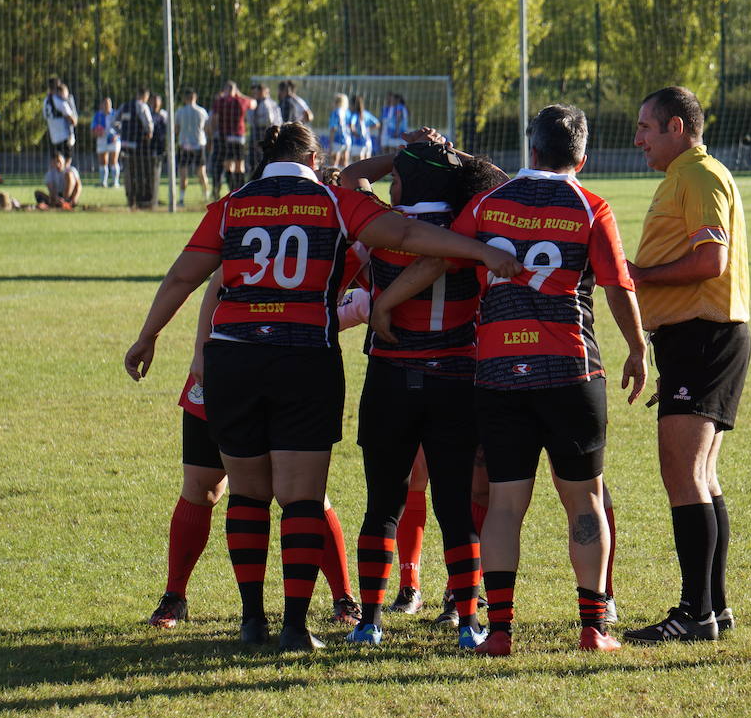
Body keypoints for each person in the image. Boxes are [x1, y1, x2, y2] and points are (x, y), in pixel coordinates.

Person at [123, 121, 523, 650]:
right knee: (302, 497)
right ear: (313, 157)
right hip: (302, 356)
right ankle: (294, 626)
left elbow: (183, 277)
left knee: (246, 493)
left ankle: (251, 620)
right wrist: (481, 251)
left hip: (234, 356)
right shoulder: (331, 200)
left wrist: (147, 336)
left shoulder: (231, 205)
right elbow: (404, 235)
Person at [430, 104, 647, 655]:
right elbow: (618, 288)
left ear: (531, 151)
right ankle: (594, 628)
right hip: (570, 370)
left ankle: (499, 631)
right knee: (584, 499)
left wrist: (385, 300)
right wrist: (639, 347)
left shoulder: (488, 202)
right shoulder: (590, 205)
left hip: (499, 371)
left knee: (504, 504)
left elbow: (444, 253)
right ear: (582, 156)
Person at [338, 131, 509, 648]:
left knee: (381, 504)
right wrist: (442, 156)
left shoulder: (381, 227)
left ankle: (370, 621)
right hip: (456, 376)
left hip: (391, 376)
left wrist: (403, 153)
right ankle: (467, 624)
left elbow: (350, 179)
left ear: (404, 179)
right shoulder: (468, 222)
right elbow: (493, 180)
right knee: (456, 507)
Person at [148, 269, 365, 629]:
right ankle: (175, 595)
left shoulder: (325, 223)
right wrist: (202, 352)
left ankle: (343, 595)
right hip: (228, 364)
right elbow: (216, 282)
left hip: (290, 370)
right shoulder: (244, 217)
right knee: (202, 484)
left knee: (303, 493)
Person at [622, 86, 749, 644]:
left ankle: (694, 612)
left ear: (677, 126)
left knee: (683, 475)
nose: (638, 138)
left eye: (646, 127)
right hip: (696, 337)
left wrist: (639, 274)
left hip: (703, 335)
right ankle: (712, 609)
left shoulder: (697, 175)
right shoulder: (685, 176)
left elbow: (710, 259)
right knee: (700, 476)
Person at [211, 81, 255, 195]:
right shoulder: (241, 100)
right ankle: (241, 191)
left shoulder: (220, 101)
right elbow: (254, 103)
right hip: (238, 137)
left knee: (227, 165)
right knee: (240, 166)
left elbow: (214, 118)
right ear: (235, 90)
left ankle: (231, 191)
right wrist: (240, 94)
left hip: (224, 137)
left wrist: (214, 132)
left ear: (225, 90)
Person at [116, 88, 155, 208]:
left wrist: (121, 132)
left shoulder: (124, 106)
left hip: (125, 144)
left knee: (128, 172)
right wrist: (149, 134)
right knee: (139, 172)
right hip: (138, 145)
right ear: (145, 96)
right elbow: (149, 125)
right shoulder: (142, 107)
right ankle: (140, 199)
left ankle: (130, 198)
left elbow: (115, 122)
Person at [175, 88, 210, 207]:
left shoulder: (180, 112)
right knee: (202, 173)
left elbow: (176, 129)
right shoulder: (202, 112)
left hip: (184, 146)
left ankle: (181, 198)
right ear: (195, 97)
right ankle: (206, 196)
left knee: (183, 173)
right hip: (199, 145)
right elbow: (207, 129)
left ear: (185, 98)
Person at [247, 83, 282, 176]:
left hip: (265, 132)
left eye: (257, 92)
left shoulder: (268, 103)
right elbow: (249, 118)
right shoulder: (254, 103)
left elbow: (270, 120)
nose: (255, 94)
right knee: (253, 158)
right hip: (255, 131)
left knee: (264, 157)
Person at [43, 79, 78, 163]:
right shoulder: (59, 101)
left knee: (55, 163)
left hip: (53, 137)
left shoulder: (45, 101)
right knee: (66, 164)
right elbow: (72, 120)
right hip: (64, 137)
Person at [92, 97, 121, 188]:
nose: (106, 106)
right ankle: (103, 182)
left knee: (113, 161)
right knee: (102, 161)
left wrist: (117, 136)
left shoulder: (116, 114)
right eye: (105, 104)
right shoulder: (98, 115)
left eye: (108, 104)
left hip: (114, 140)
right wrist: (97, 132)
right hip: (102, 139)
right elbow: (93, 128)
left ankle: (115, 182)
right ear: (102, 105)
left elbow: (121, 127)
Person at [347, 95, 380, 163]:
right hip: (367, 141)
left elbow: (351, 126)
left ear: (353, 105)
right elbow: (377, 124)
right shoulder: (366, 114)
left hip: (357, 143)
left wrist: (356, 133)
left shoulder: (354, 115)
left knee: (356, 164)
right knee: (366, 164)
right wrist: (367, 128)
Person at [328, 94, 351, 168]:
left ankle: (334, 178)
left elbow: (333, 128)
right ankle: (347, 178)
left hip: (338, 139)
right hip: (347, 138)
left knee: (334, 162)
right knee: (345, 161)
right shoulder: (348, 113)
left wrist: (331, 142)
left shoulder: (335, 112)